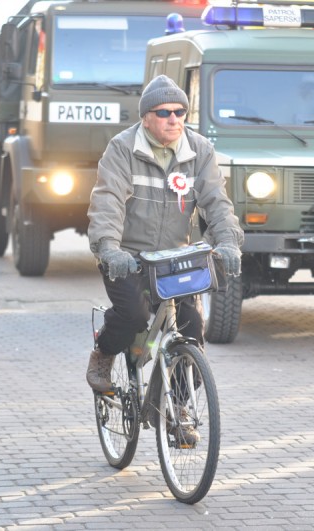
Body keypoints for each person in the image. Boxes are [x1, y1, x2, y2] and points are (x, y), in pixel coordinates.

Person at [85, 75, 243, 405]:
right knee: (133, 316)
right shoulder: (123, 148)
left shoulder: (200, 150)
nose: (174, 119)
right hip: (129, 259)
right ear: (146, 117)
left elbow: (217, 202)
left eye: (180, 111)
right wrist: (109, 248)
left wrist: (228, 242)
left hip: (174, 261)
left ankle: (179, 411)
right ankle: (104, 352)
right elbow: (107, 202)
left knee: (192, 330)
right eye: (164, 112)